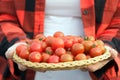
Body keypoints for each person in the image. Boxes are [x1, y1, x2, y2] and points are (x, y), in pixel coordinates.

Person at [0, 0, 120, 80]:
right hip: (27, 70)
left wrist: (107, 47)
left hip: (99, 73)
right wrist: (16, 45)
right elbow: (4, 15)